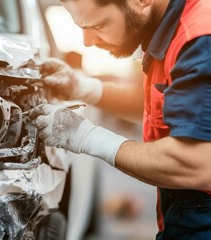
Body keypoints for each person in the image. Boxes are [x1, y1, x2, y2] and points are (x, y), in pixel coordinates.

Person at [28, 0, 211, 239]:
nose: (87, 41)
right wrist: (83, 87)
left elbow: (196, 164)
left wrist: (86, 137)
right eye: (81, 27)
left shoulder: (198, 41)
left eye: (100, 24)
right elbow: (164, 105)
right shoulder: (170, 30)